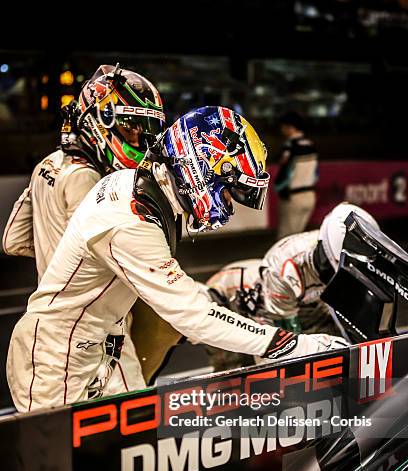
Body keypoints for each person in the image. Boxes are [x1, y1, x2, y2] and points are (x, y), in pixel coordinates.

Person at [6, 106, 348, 413]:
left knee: (131, 457)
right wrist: (292, 345)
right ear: (199, 167)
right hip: (58, 361)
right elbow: (194, 317)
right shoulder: (130, 221)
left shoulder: (133, 185)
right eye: (228, 188)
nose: (227, 201)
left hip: (102, 350)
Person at [2, 64, 166, 394]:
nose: (139, 139)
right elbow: (108, 258)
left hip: (48, 332)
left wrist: (52, 260)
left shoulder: (47, 165)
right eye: (131, 126)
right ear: (100, 119)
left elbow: (13, 240)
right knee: (130, 436)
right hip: (95, 344)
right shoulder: (93, 181)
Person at [206, 203, 379, 354]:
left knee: (330, 342)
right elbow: (282, 343)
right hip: (230, 302)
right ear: (325, 259)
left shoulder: (338, 246)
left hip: (292, 300)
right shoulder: (286, 269)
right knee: (240, 372)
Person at [274, 110, 318, 240]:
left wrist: (278, 188)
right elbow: (316, 174)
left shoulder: (289, 146)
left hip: (293, 197)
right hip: (310, 196)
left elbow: (284, 172)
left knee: (284, 241)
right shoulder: (311, 144)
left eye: (283, 127)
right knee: (298, 239)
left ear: (289, 127)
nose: (281, 130)